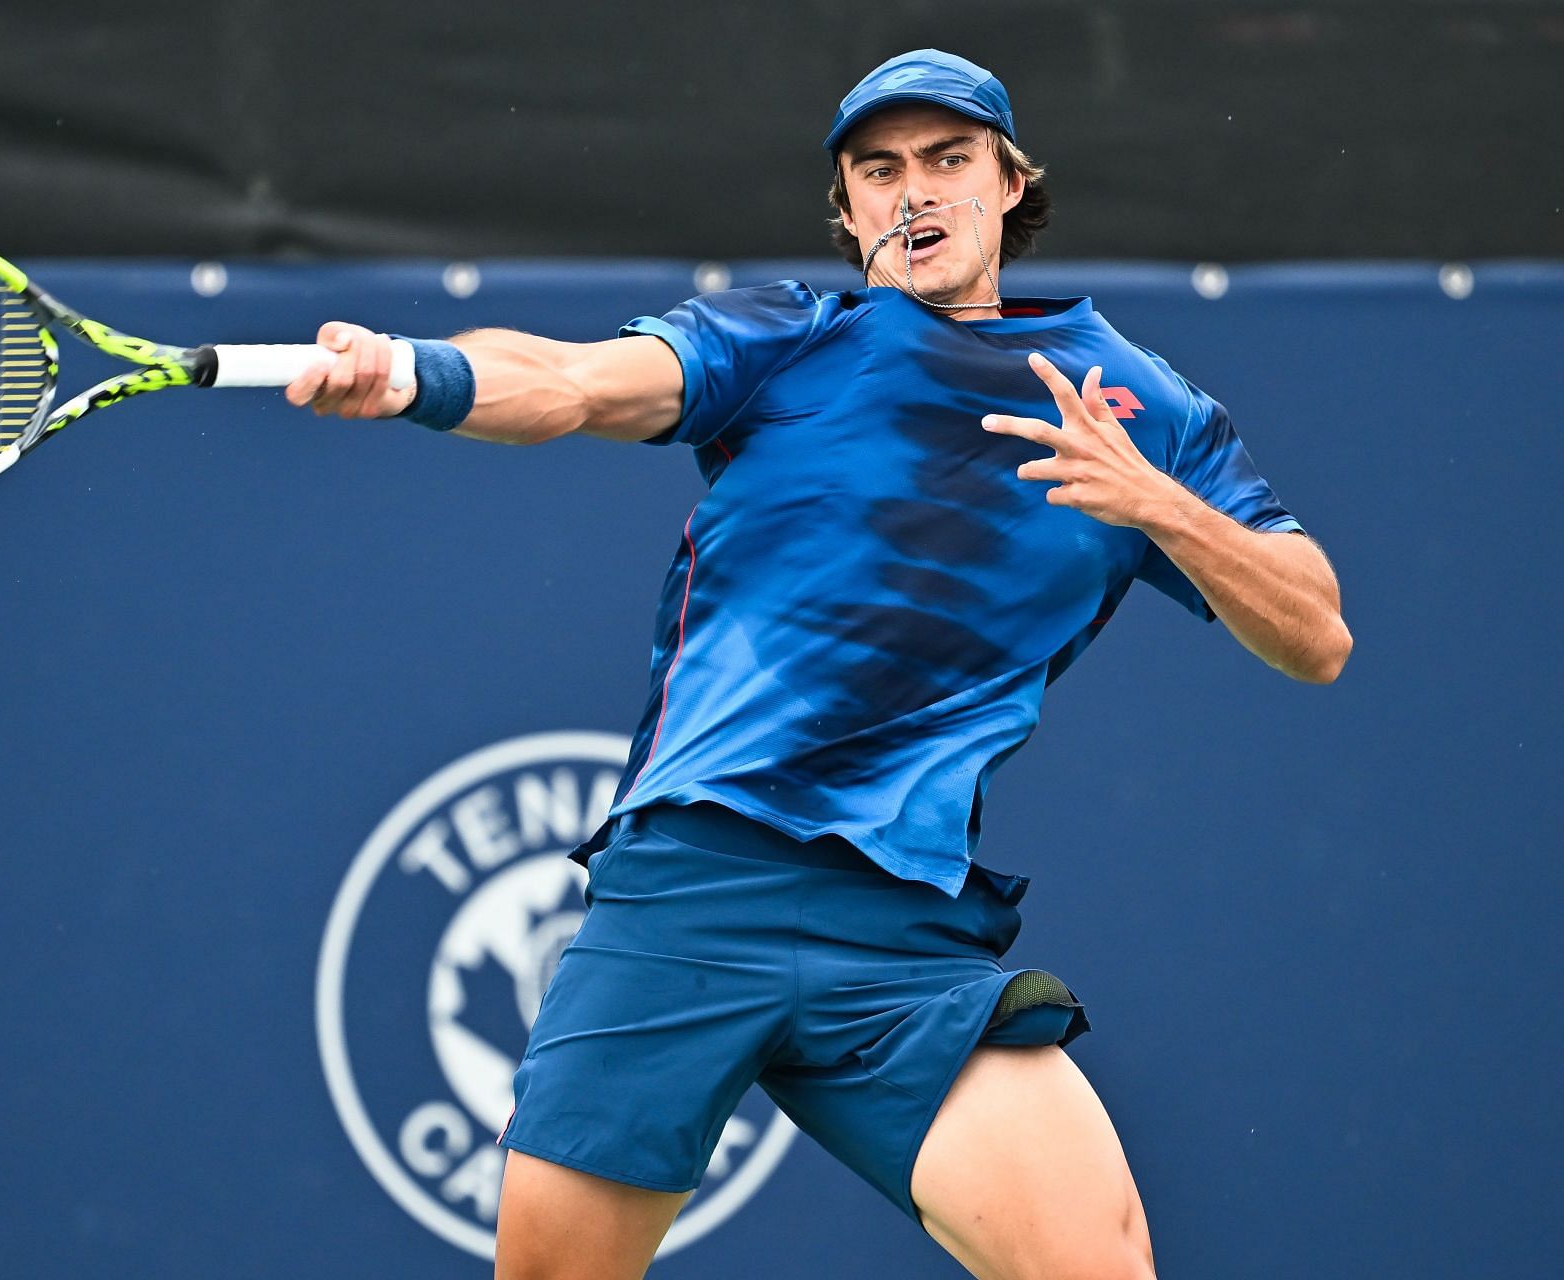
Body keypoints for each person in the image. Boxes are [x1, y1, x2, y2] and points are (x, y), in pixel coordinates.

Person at [286, 48, 1350, 1280]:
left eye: (951, 162)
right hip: (693, 888)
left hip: (900, 934)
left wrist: (1158, 502)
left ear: (1011, 184)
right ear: (847, 212)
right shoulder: (786, 336)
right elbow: (573, 382)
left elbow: (1317, 633)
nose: (917, 194)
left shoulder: (1141, 407)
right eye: (880, 171)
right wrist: (414, 370)